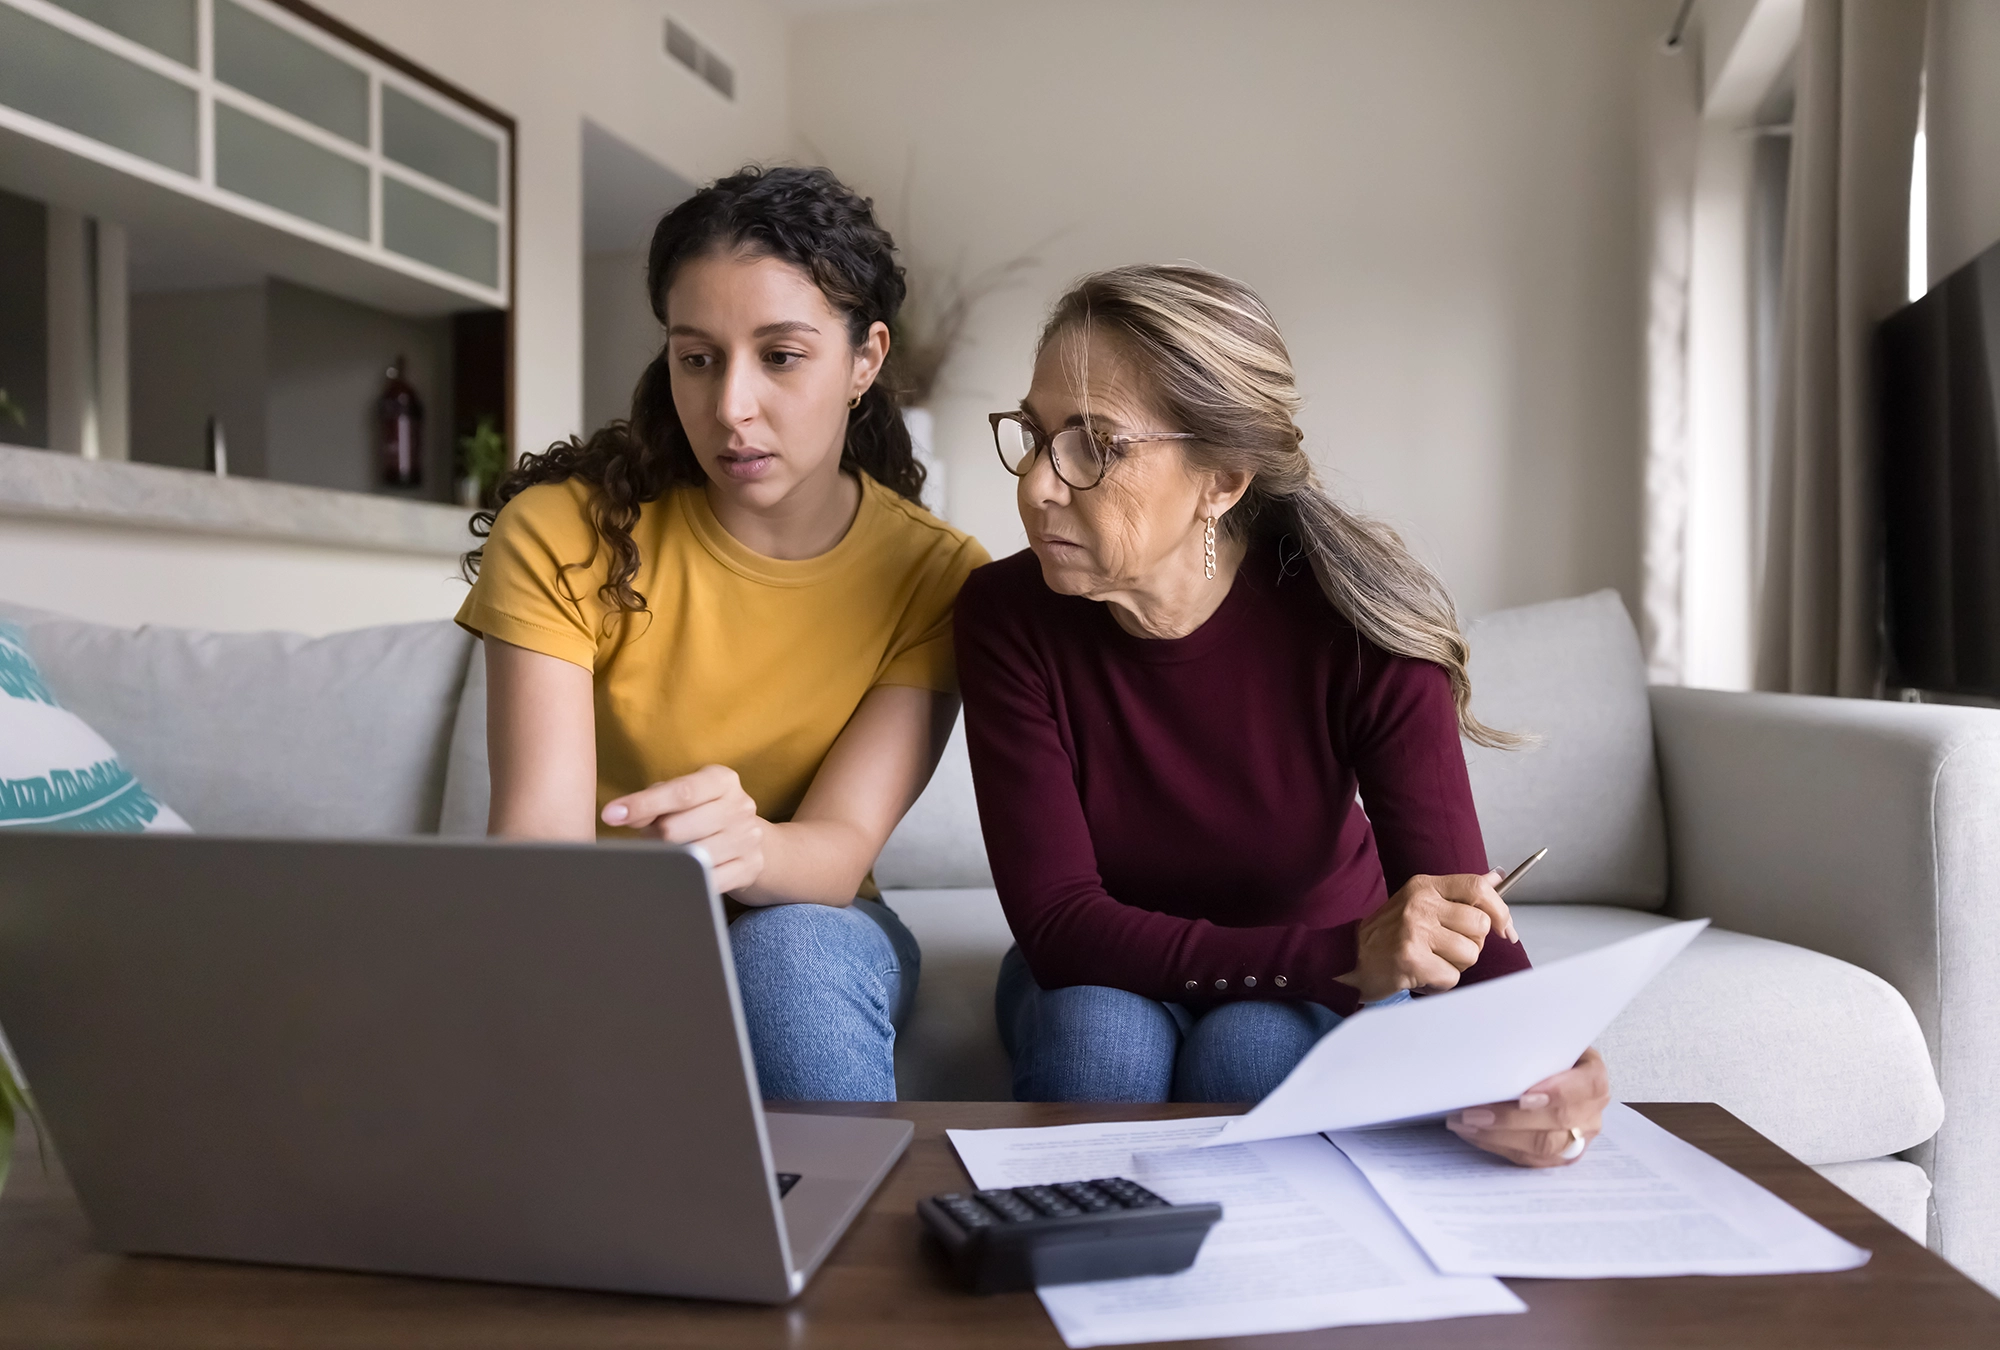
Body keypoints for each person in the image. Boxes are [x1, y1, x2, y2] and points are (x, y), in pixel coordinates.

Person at [956, 263, 1607, 1166]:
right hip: (1113, 964)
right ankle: (1053, 1285)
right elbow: (1062, 925)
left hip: (1307, 981)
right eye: (1034, 435)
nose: (1037, 484)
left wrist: (1548, 1070)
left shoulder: (1362, 628)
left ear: (1221, 480)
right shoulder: (1005, 614)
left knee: (1250, 1048)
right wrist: (1343, 955)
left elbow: (1453, 915)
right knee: (1097, 1036)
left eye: (1093, 445)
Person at [458, 166, 988, 1102]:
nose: (731, 407)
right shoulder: (561, 532)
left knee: (786, 955)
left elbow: (836, 848)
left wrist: (744, 847)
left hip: (807, 918)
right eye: (698, 357)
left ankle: (854, 1242)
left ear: (866, 360)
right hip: (598, 922)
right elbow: (538, 845)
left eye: (781, 356)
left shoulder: (938, 575)